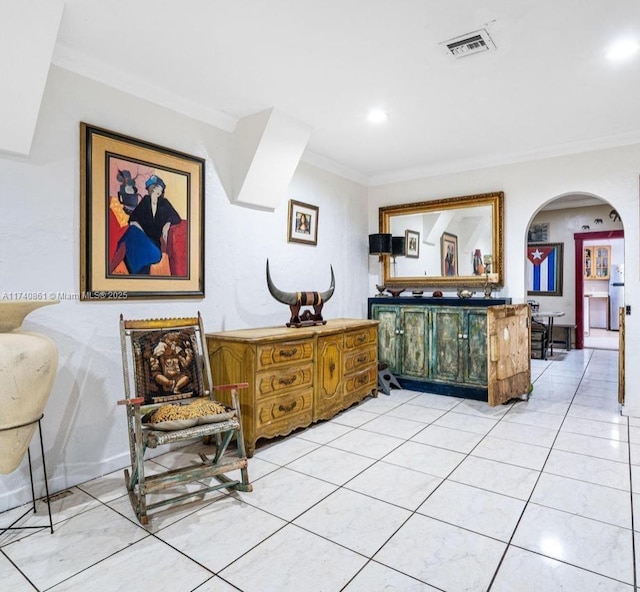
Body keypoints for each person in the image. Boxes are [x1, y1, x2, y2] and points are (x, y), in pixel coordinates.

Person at [110, 175, 182, 274]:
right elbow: (132, 220)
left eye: (158, 187)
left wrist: (167, 224)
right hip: (141, 241)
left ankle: (111, 268)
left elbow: (176, 218)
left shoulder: (164, 203)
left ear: (161, 190)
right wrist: (140, 232)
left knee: (127, 239)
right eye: (153, 187)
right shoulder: (145, 201)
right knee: (131, 232)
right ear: (149, 189)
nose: (155, 190)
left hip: (155, 247)